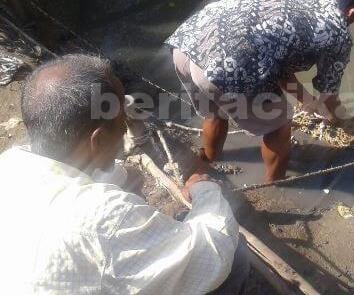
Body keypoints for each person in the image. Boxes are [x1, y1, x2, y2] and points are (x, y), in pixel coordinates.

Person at [0, 54, 247, 294]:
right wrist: (204, 189)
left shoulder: (10, 165)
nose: (124, 132)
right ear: (99, 139)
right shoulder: (107, 219)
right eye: (122, 126)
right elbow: (211, 257)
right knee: (235, 255)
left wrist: (117, 178)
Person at [165, 0, 354, 182]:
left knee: (215, 111)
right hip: (226, 68)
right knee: (279, 126)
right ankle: (274, 186)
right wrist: (339, 120)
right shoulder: (338, 33)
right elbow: (329, 97)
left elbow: (277, 65)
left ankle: (210, 160)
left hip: (188, 44)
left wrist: (307, 101)